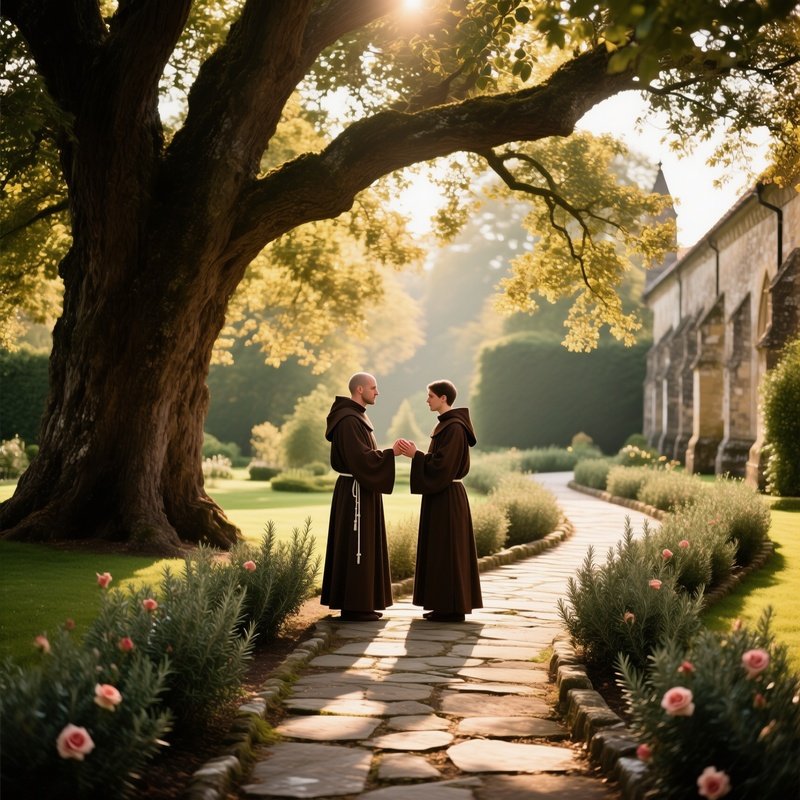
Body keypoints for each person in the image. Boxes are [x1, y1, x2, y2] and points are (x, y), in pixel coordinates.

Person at [321, 372, 404, 622]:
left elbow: (365, 455)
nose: (377, 392)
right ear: (359, 389)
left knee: (362, 544)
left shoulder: (357, 417)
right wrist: (391, 453)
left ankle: (363, 602)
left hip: (360, 491)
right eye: (373, 387)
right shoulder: (348, 420)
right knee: (356, 545)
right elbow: (360, 458)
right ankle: (355, 606)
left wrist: (386, 454)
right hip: (354, 493)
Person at [398, 380, 482, 623]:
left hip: (448, 497)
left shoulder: (454, 428)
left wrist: (416, 455)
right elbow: (439, 461)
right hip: (442, 496)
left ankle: (450, 607)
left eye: (431, 396)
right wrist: (420, 456)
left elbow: (443, 465)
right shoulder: (447, 426)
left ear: (443, 398)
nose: (427, 400)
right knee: (441, 550)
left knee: (448, 550)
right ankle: (443, 605)